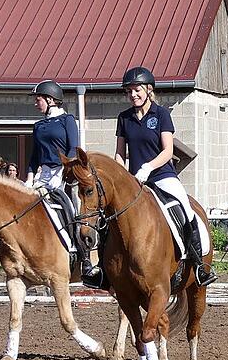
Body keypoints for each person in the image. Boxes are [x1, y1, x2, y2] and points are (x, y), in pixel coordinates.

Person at [115, 66, 216, 286]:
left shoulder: (161, 114)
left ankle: (199, 265)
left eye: (137, 90)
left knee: (185, 209)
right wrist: (121, 175)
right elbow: (119, 153)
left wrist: (148, 167)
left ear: (148, 89)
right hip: (136, 181)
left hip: (162, 175)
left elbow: (168, 151)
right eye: (129, 91)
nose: (133, 95)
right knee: (111, 217)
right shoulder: (124, 118)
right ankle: (104, 270)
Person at [28, 80, 100, 287]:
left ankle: (85, 260)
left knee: (71, 212)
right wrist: (30, 176)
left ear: (50, 99)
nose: (36, 103)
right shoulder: (39, 125)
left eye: (38, 99)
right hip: (43, 174)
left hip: (65, 173)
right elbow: (34, 156)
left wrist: (62, 172)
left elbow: (73, 148)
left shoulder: (67, 120)